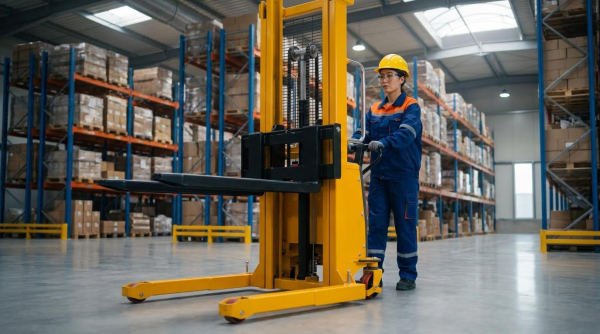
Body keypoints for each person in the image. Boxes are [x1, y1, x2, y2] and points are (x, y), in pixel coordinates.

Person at [350, 54, 422, 291]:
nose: (384, 80)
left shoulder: (410, 106)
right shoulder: (374, 109)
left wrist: (384, 143)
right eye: (382, 76)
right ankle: (373, 271)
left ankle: (408, 275)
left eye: (390, 75)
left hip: (404, 176)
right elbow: (365, 133)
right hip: (379, 176)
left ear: (402, 79)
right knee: (376, 226)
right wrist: (354, 141)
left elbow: (407, 133)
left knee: (405, 225)